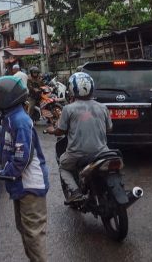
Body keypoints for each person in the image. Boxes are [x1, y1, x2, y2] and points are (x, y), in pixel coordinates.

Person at [0, 76, 49, 262]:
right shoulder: (9, 119)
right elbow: (9, 147)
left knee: (33, 234)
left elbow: (22, 158)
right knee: (25, 230)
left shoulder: (20, 120)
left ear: (6, 96)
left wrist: (1, 174)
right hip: (19, 184)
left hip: (30, 185)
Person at [46, 72, 112, 204]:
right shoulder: (102, 107)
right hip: (103, 152)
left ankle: (76, 192)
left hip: (77, 154)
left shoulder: (68, 109)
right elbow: (109, 128)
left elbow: (60, 131)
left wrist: (51, 130)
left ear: (71, 89)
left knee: (63, 166)